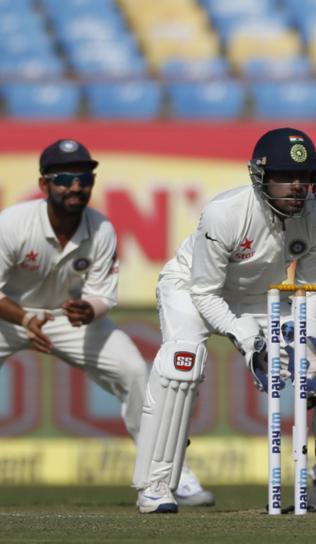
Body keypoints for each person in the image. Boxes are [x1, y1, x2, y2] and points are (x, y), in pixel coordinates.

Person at [132, 127, 316, 514]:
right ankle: (155, 485)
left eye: (304, 177)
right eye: (286, 177)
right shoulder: (225, 213)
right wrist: (246, 338)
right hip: (192, 288)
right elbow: (204, 292)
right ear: (260, 177)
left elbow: (310, 292)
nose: (297, 186)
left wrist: (311, 351)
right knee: (181, 364)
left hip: (263, 298)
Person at [0, 139, 214, 507]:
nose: (76, 187)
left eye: (84, 177)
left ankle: (167, 476)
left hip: (69, 318)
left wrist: (89, 310)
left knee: (135, 372)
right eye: (65, 178)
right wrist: (24, 317)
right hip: (10, 314)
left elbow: (104, 295)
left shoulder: (101, 229)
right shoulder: (13, 224)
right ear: (43, 185)